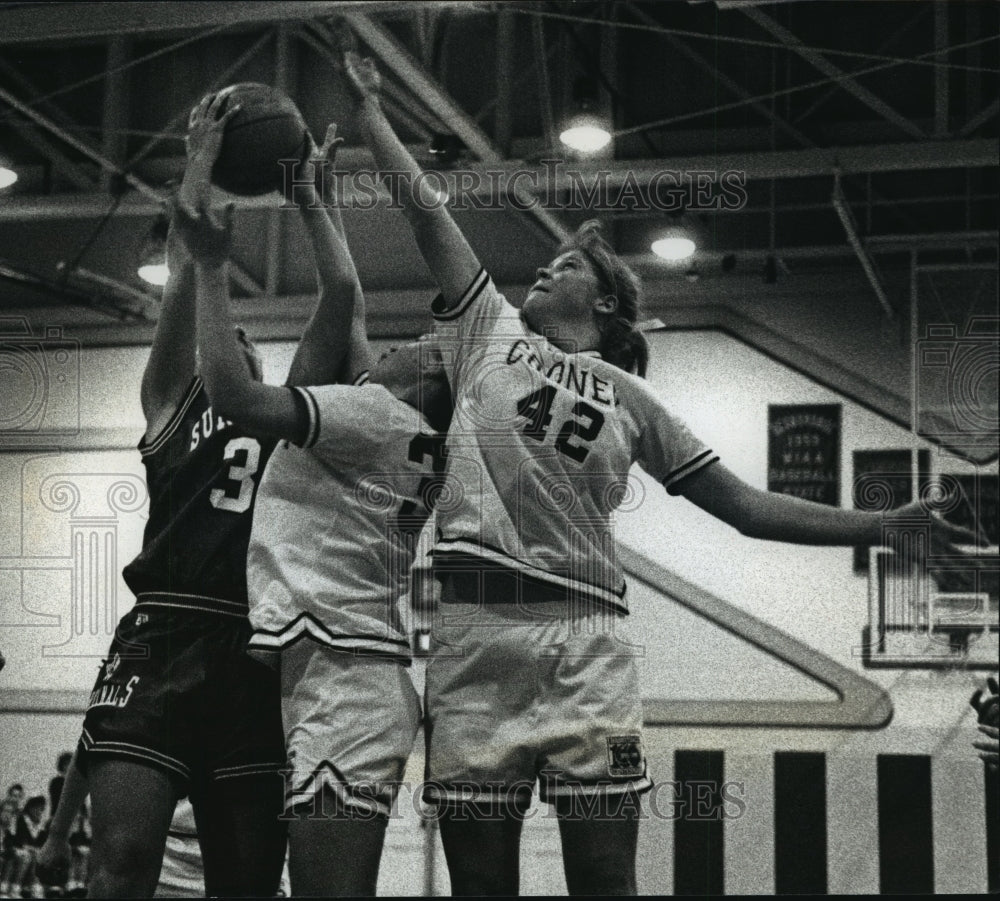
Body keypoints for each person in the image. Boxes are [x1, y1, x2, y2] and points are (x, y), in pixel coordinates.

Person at [339, 45, 985, 896]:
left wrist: (876, 525)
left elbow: (745, 506)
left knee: (608, 884)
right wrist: (374, 121)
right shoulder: (488, 330)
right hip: (473, 639)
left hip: (585, 645)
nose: (545, 264)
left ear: (604, 304)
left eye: (566, 264)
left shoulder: (632, 398)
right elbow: (430, 219)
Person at [171, 94, 452, 897]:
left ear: (425, 383)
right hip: (346, 676)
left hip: (346, 682)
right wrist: (308, 198)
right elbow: (346, 300)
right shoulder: (398, 426)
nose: (390, 349)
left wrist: (213, 264)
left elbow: (230, 391)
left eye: (412, 349)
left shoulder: (369, 417)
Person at [66, 92, 293, 898]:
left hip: (251, 651)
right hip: (162, 636)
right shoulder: (171, 403)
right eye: (218, 339)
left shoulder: (288, 422)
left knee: (247, 881)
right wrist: (201, 163)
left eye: (245, 344)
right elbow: (186, 290)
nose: (230, 342)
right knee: (121, 862)